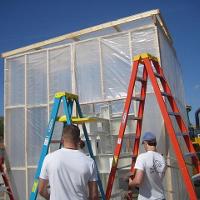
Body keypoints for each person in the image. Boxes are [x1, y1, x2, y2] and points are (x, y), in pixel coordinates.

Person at [38, 124, 99, 200]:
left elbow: (41, 190)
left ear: (62, 139)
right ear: (79, 140)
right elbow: (94, 196)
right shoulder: (89, 162)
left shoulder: (49, 158)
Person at [128, 131, 166, 200]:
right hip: (161, 197)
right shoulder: (162, 158)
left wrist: (130, 183)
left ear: (146, 143)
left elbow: (138, 181)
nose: (144, 146)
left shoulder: (142, 157)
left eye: (144, 144)